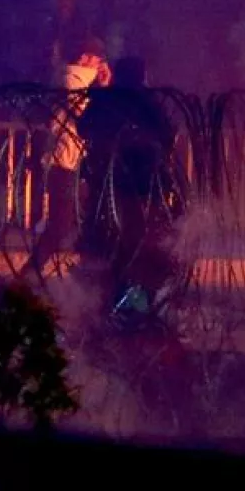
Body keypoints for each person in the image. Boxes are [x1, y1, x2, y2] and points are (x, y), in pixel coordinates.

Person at [77, 56, 182, 318]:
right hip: (137, 182)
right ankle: (128, 304)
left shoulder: (106, 99)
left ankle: (115, 303)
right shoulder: (146, 101)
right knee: (136, 242)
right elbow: (167, 133)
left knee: (118, 242)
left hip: (114, 181)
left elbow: (84, 127)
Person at [25, 36, 110, 279]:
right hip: (63, 161)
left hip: (70, 161)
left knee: (80, 219)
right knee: (60, 225)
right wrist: (104, 89)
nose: (100, 65)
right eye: (97, 59)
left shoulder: (75, 81)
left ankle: (77, 274)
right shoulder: (72, 81)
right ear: (84, 58)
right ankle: (29, 276)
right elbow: (86, 119)